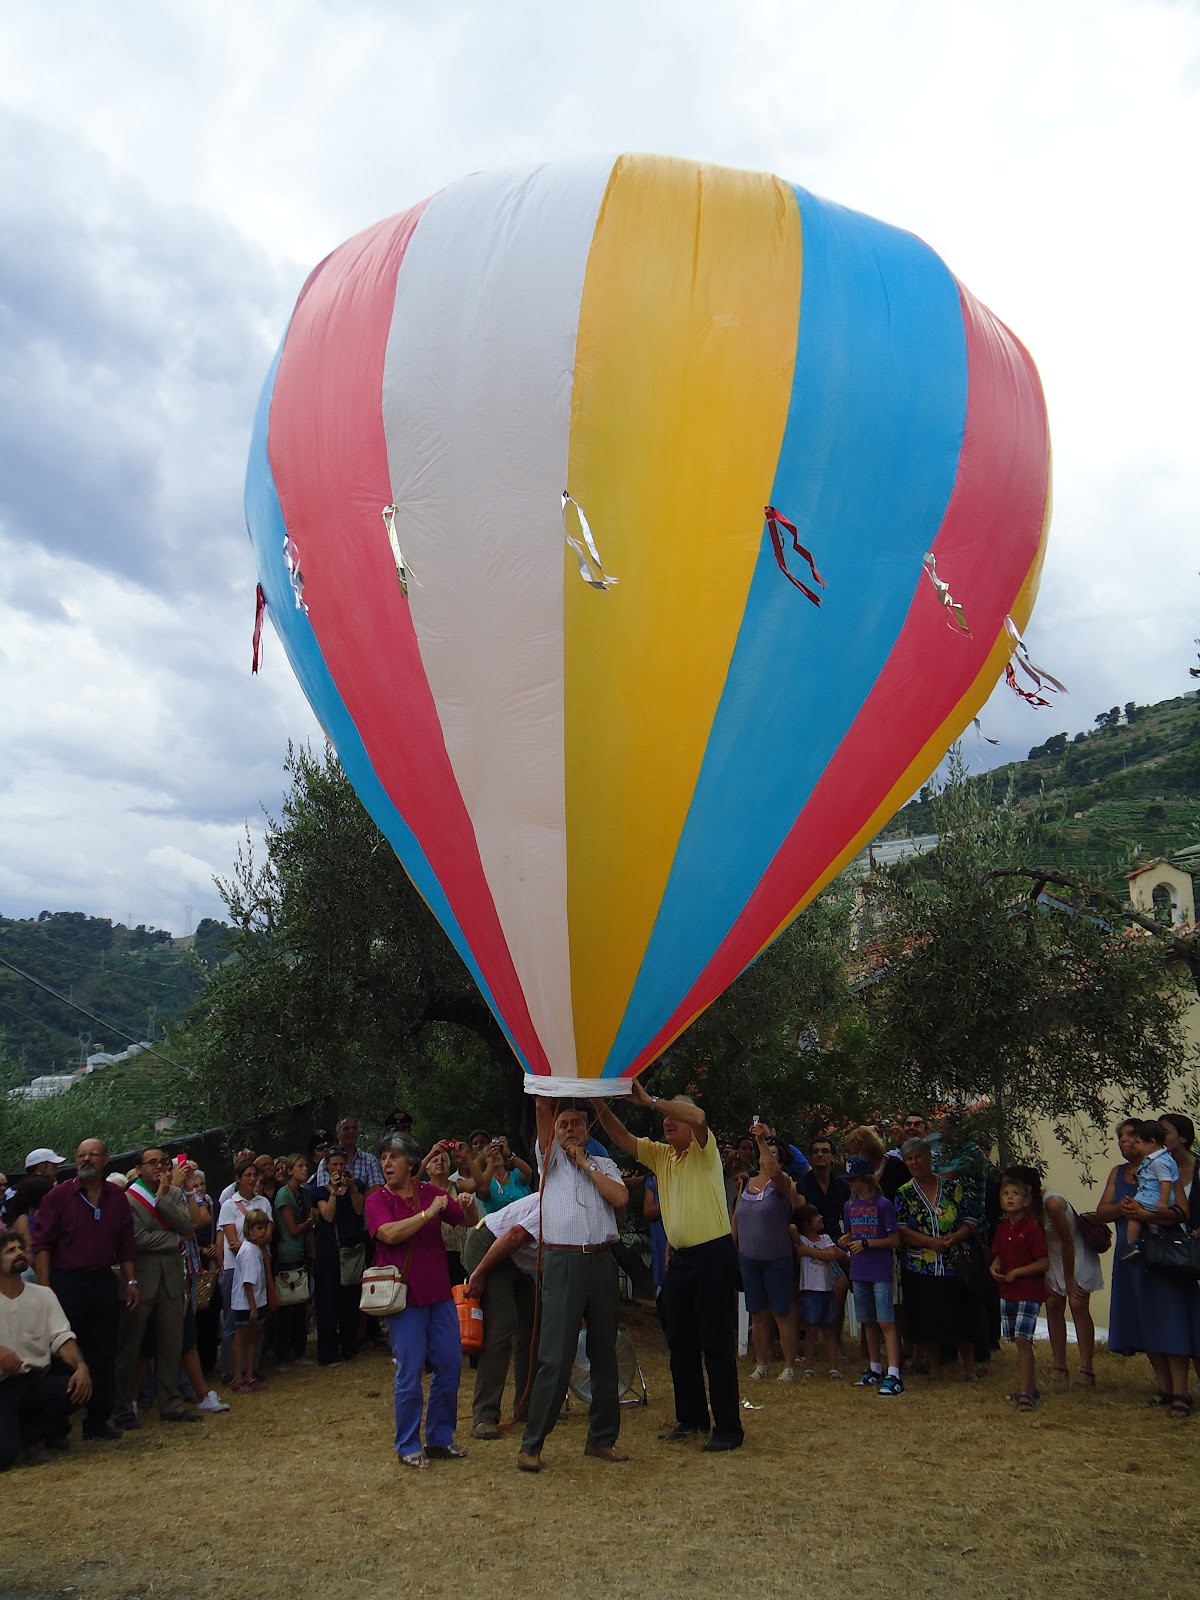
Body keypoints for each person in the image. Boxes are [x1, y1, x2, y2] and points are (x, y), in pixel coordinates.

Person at [592, 1084, 742, 1453]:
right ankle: (690, 1419)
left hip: (713, 1255)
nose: (667, 1122)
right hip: (682, 1261)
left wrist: (650, 1101)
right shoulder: (662, 1157)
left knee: (716, 1343)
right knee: (681, 1343)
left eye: (675, 1117)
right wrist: (596, 1098)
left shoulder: (705, 1152)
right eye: (664, 1119)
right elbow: (621, 1137)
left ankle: (728, 1428)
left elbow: (701, 1116)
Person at [517, 1101, 627, 1472]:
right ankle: (532, 1443)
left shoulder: (604, 1164)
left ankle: (601, 1439)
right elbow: (543, 1112)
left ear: (587, 1131)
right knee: (555, 1356)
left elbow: (621, 1198)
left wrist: (587, 1165)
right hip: (564, 1262)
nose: (567, 1129)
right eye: (563, 1124)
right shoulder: (549, 1162)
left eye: (576, 1124)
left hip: (601, 1261)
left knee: (604, 1354)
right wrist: (543, 1099)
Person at [365, 1133, 469, 1469]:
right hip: (405, 1299)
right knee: (409, 1372)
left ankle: (440, 1438)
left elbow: (464, 1218)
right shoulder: (377, 1200)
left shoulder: (431, 1192)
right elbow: (389, 1234)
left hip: (439, 1295)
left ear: (410, 1163)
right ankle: (408, 1444)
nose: (386, 1164)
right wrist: (427, 1216)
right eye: (383, 1158)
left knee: (451, 1364)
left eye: (393, 1157)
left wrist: (468, 1201)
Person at [31, 1137, 138, 1441]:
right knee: (63, 1354)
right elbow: (42, 1245)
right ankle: (56, 1426)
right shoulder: (59, 1197)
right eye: (81, 1155)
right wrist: (44, 1289)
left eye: (93, 1154)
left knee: (104, 1352)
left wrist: (130, 1281)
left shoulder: (117, 1198)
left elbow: (126, 1243)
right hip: (67, 1283)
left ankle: (97, 1421)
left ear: (106, 1160)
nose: (87, 1159)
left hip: (104, 1281)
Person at [1094, 1118, 1199, 1419]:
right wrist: (1125, 1211)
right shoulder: (1118, 1173)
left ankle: (1181, 1393)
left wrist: (1146, 1213)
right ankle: (1164, 1389)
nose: (1125, 1141)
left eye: (1131, 1136)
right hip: (1132, 1257)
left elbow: (1182, 1210)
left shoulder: (1168, 1168)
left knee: (1172, 1317)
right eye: (1121, 1137)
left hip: (1165, 1254)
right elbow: (1102, 1211)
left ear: (1145, 1140)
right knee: (1146, 1320)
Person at [113, 1149, 201, 1427]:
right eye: (152, 1163)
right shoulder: (128, 1199)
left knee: (171, 1345)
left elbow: (189, 1225)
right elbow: (137, 1239)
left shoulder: (172, 1194)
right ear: (138, 1169)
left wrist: (163, 1199)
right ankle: (124, 1408)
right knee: (132, 1347)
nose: (159, 1167)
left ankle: (171, 1403)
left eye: (163, 1162)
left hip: (171, 1280)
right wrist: (175, 1238)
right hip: (141, 1279)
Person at [0, 1234, 92, 1468]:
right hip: (2, 1386)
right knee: (4, 1458)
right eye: (10, 1251)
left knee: (76, 1388)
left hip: (32, 1381)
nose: (19, 1253)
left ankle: (30, 1438)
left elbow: (62, 1337)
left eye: (21, 1248)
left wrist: (81, 1367)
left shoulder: (43, 1295)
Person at [893, 1137, 979, 1381]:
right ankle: (932, 1369)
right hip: (921, 1265)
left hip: (954, 1263)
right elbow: (900, 1228)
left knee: (962, 1316)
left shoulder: (952, 1187)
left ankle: (969, 1369)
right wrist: (930, 1242)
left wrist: (956, 1236)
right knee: (928, 1319)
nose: (915, 1162)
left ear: (929, 1158)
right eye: (909, 1159)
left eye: (919, 1156)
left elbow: (970, 1219)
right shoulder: (904, 1193)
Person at [461, 1191, 541, 1439]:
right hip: (489, 1244)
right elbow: (515, 1235)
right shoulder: (554, 1202)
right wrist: (480, 1273)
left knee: (533, 1322)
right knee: (503, 1324)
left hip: (516, 1259)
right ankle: (484, 1415)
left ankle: (526, 1407)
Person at [731, 1126, 799, 1382]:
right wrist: (732, 1246)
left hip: (777, 1258)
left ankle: (789, 1366)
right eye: (763, 1152)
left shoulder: (784, 1184)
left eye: (771, 1153)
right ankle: (762, 1364)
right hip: (749, 1257)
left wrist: (761, 1140)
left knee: (782, 1312)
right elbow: (737, 1214)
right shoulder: (747, 1182)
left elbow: (775, 1172)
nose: (765, 1156)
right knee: (758, 1313)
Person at [840, 1155, 903, 1396]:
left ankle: (893, 1371)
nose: (850, 1184)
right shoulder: (849, 1206)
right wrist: (847, 1240)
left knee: (885, 1320)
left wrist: (867, 1243)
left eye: (853, 1179)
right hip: (859, 1269)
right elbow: (850, 1233)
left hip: (879, 1269)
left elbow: (894, 1240)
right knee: (867, 1320)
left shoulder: (883, 1205)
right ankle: (874, 1367)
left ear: (865, 1178)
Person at [991, 1173, 1049, 1412]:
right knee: (1016, 1341)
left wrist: (1019, 1272)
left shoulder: (1032, 1229)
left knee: (1024, 1341)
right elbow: (998, 1256)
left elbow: (1043, 1262)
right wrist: (994, 1267)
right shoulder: (1003, 1228)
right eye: (1006, 1194)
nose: (1010, 1198)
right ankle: (1030, 1387)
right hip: (1008, 1291)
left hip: (1028, 1291)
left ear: (1026, 1201)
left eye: (1015, 1194)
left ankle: (1026, 1393)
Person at [217, 1159, 274, 1382]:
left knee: (257, 1320)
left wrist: (252, 1242)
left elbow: (268, 1234)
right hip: (235, 1266)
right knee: (234, 1321)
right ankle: (231, 1370)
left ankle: (252, 1368)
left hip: (259, 1263)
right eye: (247, 1175)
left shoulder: (264, 1203)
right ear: (238, 1178)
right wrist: (252, 1244)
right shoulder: (230, 1205)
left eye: (254, 1175)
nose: (251, 1179)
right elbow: (232, 1240)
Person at [312, 1149, 366, 1367]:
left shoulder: (357, 1186)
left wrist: (351, 1188)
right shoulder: (318, 1193)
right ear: (326, 1168)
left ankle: (349, 1346)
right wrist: (333, 1192)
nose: (338, 1169)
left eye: (341, 1164)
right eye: (334, 1165)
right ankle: (328, 1352)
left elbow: (360, 1211)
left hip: (350, 1250)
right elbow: (328, 1215)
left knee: (350, 1301)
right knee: (327, 1302)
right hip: (328, 1252)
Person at [792, 1204, 847, 1380]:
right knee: (811, 1330)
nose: (820, 1217)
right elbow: (791, 1228)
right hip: (809, 1291)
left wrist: (809, 1252)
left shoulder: (825, 1239)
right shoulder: (801, 1239)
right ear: (807, 1223)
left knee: (830, 1330)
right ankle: (809, 1367)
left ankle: (834, 1367)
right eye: (815, 1216)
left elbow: (832, 1255)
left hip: (826, 1290)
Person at [273, 1154, 314, 1362]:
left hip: (302, 1253)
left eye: (306, 1166)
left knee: (301, 1304)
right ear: (290, 1170)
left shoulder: (304, 1194)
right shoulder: (283, 1195)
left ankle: (299, 1348)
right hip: (288, 1252)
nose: (304, 1169)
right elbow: (293, 1229)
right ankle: (284, 1351)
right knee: (287, 1306)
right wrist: (310, 1222)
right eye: (299, 1166)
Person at [1120, 1120, 1180, 1262]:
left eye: (1139, 1143)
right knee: (1148, 1217)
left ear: (1152, 1143)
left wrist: (1163, 1202)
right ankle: (1156, 1236)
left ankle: (1131, 1244)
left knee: (1133, 1212)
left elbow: (1165, 1182)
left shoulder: (1158, 1162)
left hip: (1155, 1198)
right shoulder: (1164, 1159)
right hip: (1158, 1198)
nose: (1137, 1146)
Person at [230, 1210, 271, 1392]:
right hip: (246, 1303)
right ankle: (237, 1378)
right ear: (250, 1229)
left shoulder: (256, 1249)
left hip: (257, 1301)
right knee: (241, 1338)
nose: (262, 1232)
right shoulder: (247, 1251)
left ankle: (249, 1375)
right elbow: (248, 1282)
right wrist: (253, 1307)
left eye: (264, 1228)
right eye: (258, 1228)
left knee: (252, 1339)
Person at [316, 1118, 384, 1194]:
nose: (351, 1131)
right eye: (346, 1129)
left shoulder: (370, 1160)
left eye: (354, 1128)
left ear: (358, 1132)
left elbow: (377, 1189)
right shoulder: (325, 1162)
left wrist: (359, 1202)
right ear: (337, 1135)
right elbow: (323, 1192)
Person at [844, 1126, 907, 1201]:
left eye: (857, 1152)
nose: (855, 1157)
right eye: (853, 1153)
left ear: (870, 1148)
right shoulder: (856, 1171)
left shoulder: (895, 1165)